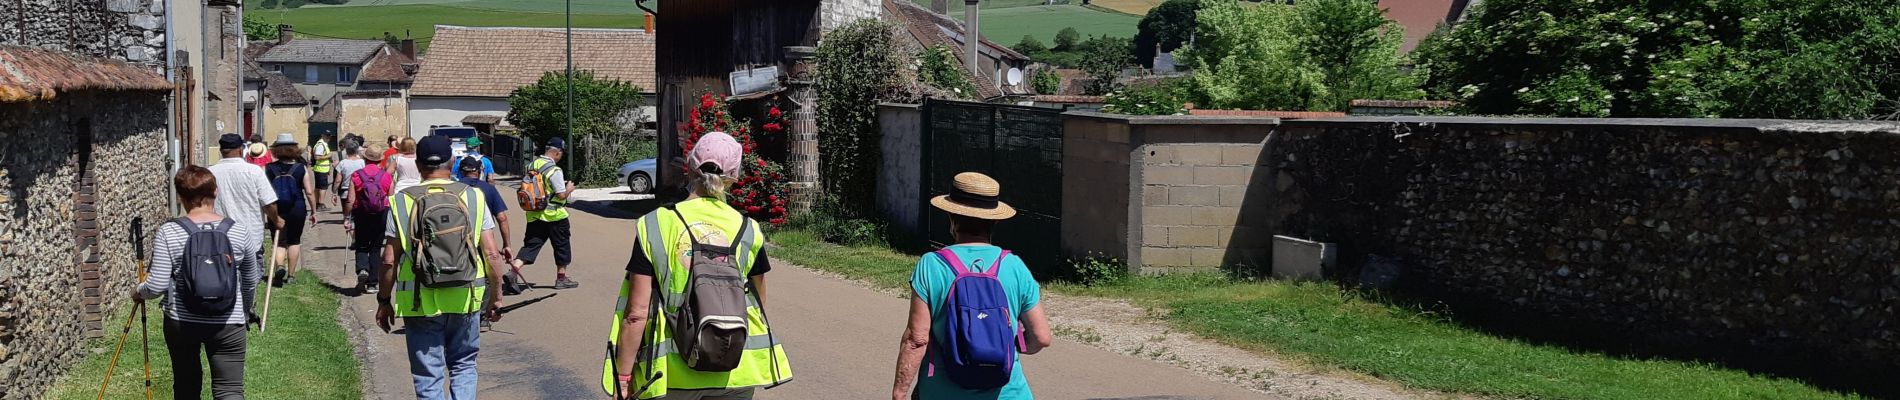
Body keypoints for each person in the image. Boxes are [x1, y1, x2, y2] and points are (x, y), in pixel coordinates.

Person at [609, 132, 792, 399]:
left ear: (690, 167)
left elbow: (636, 313)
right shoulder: (747, 228)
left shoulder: (655, 224)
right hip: (735, 371)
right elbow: (758, 304)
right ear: (734, 176)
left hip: (671, 374)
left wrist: (623, 378)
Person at [891, 172, 1054, 400]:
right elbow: (1042, 337)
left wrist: (899, 393)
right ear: (995, 220)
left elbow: (917, 339)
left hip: (943, 393)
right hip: (1009, 393)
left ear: (952, 217)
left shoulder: (932, 265)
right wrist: (1001, 347)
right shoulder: (1014, 266)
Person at [377, 135, 507, 400]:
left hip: (419, 300)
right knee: (463, 365)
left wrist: (383, 300)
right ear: (451, 162)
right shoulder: (474, 197)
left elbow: (389, 259)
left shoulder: (401, 202)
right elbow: (492, 254)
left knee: (428, 373)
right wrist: (496, 296)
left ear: (418, 164)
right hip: (467, 295)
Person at [135, 165, 262, 400]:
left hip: (182, 321)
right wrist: (244, 311)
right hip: (228, 321)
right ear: (215, 192)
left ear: (181, 197)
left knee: (186, 385)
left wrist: (139, 291)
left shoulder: (169, 232)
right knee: (230, 390)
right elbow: (250, 280)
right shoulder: (239, 231)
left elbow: (156, 286)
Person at [207, 133, 280, 267]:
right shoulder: (254, 171)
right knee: (250, 282)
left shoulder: (209, 173)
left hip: (220, 236)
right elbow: (269, 203)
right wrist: (276, 220)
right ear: (241, 150)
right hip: (250, 236)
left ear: (221, 151)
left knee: (225, 280)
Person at [515, 138, 579, 289]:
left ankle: (513, 271)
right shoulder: (554, 170)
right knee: (561, 246)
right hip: (555, 215)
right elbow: (561, 195)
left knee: (531, 245)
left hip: (534, 214)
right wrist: (569, 188)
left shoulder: (531, 165)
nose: (561, 156)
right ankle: (561, 279)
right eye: (561, 154)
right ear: (557, 152)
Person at [265, 134, 318, 287]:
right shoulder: (300, 168)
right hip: (297, 207)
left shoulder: (269, 168)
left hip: (276, 208)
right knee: (294, 240)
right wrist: (314, 210)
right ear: (294, 149)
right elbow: (309, 191)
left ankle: (280, 267)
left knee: (279, 240)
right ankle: (291, 275)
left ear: (276, 150)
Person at [348, 150, 392, 292]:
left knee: (361, 244)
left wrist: (346, 217)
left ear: (365, 159)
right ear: (380, 160)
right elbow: (391, 197)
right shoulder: (386, 176)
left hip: (361, 213)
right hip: (380, 213)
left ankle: (362, 269)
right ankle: (372, 284)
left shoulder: (357, 174)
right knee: (375, 247)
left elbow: (350, 199)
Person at [333, 138, 367, 217]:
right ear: (356, 151)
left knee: (347, 214)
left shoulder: (342, 163)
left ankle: (347, 223)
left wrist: (334, 193)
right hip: (359, 190)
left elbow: (338, 180)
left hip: (345, 191)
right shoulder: (362, 162)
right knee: (358, 214)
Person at [311, 133, 335, 211]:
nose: (329, 138)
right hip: (321, 169)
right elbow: (317, 157)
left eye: (329, 136)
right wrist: (328, 156)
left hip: (321, 168)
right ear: (323, 136)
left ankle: (317, 203)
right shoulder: (321, 145)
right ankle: (320, 204)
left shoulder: (322, 144)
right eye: (327, 136)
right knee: (322, 187)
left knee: (318, 187)